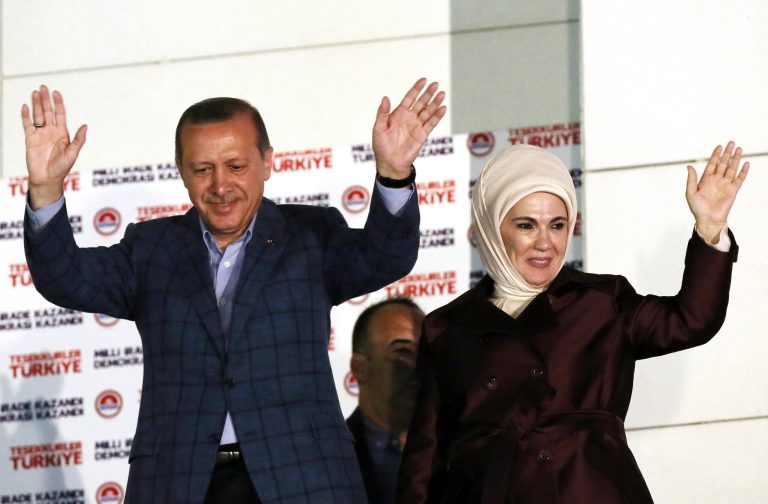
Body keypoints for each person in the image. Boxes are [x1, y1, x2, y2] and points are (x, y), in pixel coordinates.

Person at [21, 78, 446, 504]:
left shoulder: (311, 235)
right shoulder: (151, 250)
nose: (221, 186)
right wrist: (45, 189)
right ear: (181, 170)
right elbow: (64, 276)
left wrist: (393, 176)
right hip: (179, 482)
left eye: (236, 166)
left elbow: (385, 258)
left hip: (305, 479)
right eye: (203, 169)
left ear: (267, 161)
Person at [396, 143, 749, 503]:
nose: (545, 243)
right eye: (526, 225)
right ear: (490, 227)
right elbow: (425, 464)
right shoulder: (448, 328)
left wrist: (710, 229)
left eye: (558, 225)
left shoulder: (602, 301)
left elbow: (692, 319)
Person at [346, 298, 425, 504]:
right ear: (359, 367)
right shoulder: (329, 455)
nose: (419, 366)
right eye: (402, 351)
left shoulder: (460, 448)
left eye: (426, 352)